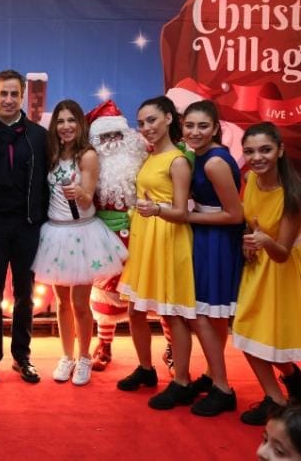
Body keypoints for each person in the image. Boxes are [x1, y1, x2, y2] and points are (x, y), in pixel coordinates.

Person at [32, 100, 127, 386]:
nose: (66, 126)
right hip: (55, 233)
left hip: (82, 234)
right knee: (61, 303)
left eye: (71, 120)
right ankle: (67, 356)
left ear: (80, 124)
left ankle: (84, 357)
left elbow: (87, 199)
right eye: (61, 121)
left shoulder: (87, 156)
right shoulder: (51, 154)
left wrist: (80, 194)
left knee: (80, 304)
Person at [116, 96, 196, 411]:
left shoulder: (177, 161)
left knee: (172, 313)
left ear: (168, 118)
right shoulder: (151, 157)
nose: (146, 127)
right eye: (141, 123)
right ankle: (146, 369)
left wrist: (156, 210)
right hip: (145, 238)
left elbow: (182, 212)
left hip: (168, 238)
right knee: (135, 310)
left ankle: (182, 381)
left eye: (152, 120)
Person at [84, 100, 170, 373]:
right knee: (103, 292)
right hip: (105, 237)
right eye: (105, 137)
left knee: (155, 292)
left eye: (116, 134)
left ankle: (171, 347)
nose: (112, 142)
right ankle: (104, 343)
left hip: (145, 235)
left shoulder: (145, 155)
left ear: (127, 135)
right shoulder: (90, 164)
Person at [0, 69, 49, 384]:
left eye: (14, 94)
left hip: (27, 226)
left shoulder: (39, 136)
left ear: (23, 96)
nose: (8, 99)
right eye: (3, 93)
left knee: (25, 295)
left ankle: (22, 357)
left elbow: (49, 181)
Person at [233, 122, 301, 426]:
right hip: (258, 267)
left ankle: (278, 399)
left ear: (280, 150)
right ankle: (287, 387)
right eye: (250, 151)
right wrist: (248, 241)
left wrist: (263, 241)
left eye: (265, 150)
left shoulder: (293, 195)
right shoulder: (249, 179)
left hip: (283, 272)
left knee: (266, 335)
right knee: (248, 332)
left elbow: (283, 253)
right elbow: (252, 221)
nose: (257, 157)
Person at [180, 100, 241, 416]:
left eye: (203, 126)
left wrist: (186, 217)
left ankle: (223, 388)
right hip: (207, 236)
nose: (195, 132)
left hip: (217, 240)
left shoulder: (214, 162)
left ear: (216, 128)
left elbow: (234, 214)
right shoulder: (198, 156)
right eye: (189, 125)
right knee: (212, 316)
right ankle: (211, 375)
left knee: (203, 313)